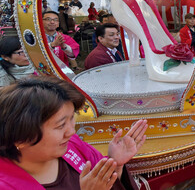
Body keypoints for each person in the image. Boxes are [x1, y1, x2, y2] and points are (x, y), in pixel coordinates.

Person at [0, 76, 147, 189]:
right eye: (60, 125)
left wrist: (114, 165)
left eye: (72, 119)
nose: (71, 131)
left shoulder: (72, 145)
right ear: (21, 137)